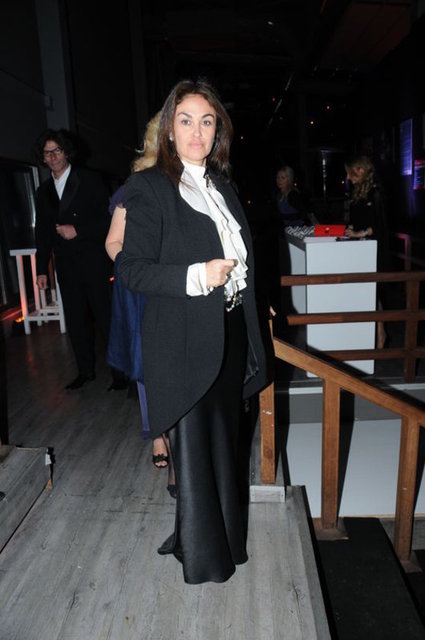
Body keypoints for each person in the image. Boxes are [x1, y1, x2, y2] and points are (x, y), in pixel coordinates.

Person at [119, 78, 268, 584]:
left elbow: (242, 261)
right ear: (168, 129)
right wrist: (197, 276)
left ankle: (223, 542)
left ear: (218, 130)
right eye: (186, 121)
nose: (197, 132)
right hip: (183, 340)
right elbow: (132, 269)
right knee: (197, 452)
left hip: (231, 332)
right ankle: (206, 559)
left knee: (226, 445)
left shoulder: (222, 186)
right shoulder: (149, 187)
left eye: (207, 122)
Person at [105, 112, 176, 498]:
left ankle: (183, 442)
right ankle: (159, 435)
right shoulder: (135, 186)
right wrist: (134, 267)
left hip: (182, 287)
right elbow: (113, 242)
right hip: (140, 288)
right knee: (147, 365)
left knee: (178, 364)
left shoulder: (196, 184)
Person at [34, 128, 126, 390]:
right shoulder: (43, 192)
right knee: (75, 320)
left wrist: (78, 230)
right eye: (47, 153)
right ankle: (85, 371)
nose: (52, 157)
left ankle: (120, 374)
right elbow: (42, 232)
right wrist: (42, 269)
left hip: (93, 260)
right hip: (66, 265)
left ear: (66, 152)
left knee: (105, 317)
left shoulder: (89, 179)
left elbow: (109, 219)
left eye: (56, 151)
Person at [344, 154, 390, 349]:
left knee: (373, 292)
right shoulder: (356, 192)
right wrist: (349, 230)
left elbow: (381, 225)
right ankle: (375, 332)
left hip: (375, 248)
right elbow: (355, 219)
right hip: (360, 248)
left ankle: (380, 332)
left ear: (361, 171)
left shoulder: (376, 192)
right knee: (367, 292)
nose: (348, 178)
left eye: (350, 173)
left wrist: (359, 233)